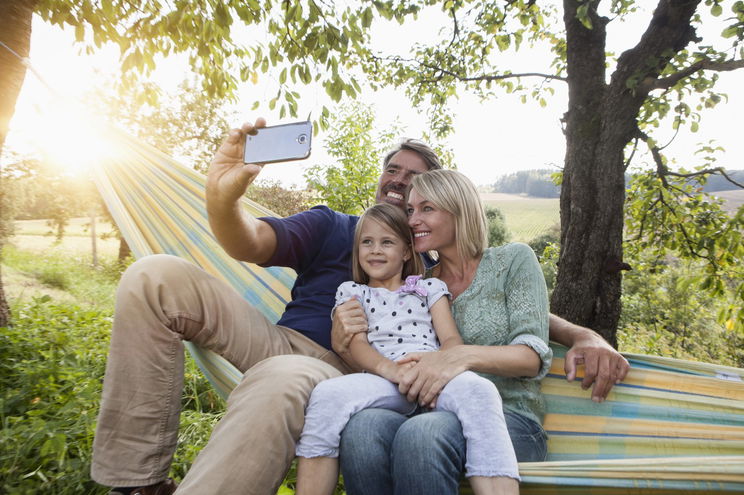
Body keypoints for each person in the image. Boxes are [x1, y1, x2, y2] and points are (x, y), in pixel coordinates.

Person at [91, 118, 628, 495]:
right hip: (285, 342)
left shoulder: (422, 262)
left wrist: (584, 334)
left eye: (416, 182)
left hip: (345, 371)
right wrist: (221, 197)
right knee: (153, 277)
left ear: (433, 205)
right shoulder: (333, 226)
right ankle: (138, 482)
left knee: (283, 377)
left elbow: (499, 301)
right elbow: (248, 244)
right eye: (393, 169)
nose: (399, 180)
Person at [334, 169, 552, 494]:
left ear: (458, 209)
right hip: (426, 409)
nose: (412, 220)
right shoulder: (418, 285)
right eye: (410, 210)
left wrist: (458, 357)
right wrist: (343, 341)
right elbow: (389, 350)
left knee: (422, 434)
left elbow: (531, 356)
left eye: (426, 209)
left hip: (508, 417)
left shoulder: (512, 261)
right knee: (362, 429)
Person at [295, 203, 524, 495]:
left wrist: (436, 367)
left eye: (387, 242)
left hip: (432, 377)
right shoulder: (352, 292)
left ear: (406, 251)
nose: (375, 250)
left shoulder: (429, 288)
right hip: (383, 380)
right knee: (326, 396)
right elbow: (358, 347)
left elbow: (451, 340)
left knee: (480, 393)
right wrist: (391, 371)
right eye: (367, 242)